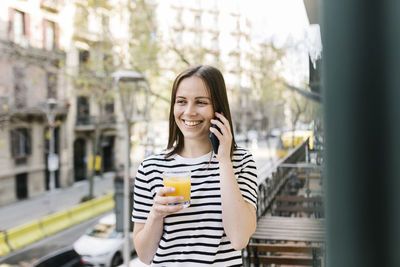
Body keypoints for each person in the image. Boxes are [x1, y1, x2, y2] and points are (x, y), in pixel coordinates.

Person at [132, 65, 258, 266]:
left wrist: (224, 161)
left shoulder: (241, 162)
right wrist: (155, 214)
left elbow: (239, 238)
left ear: (218, 108)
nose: (189, 112)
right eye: (181, 101)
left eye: (201, 102)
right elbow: (144, 255)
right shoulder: (150, 168)